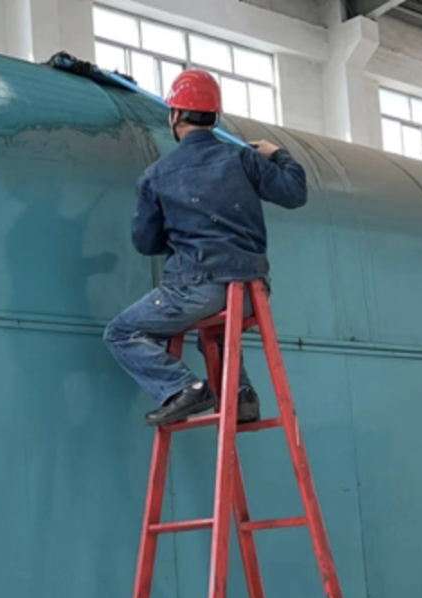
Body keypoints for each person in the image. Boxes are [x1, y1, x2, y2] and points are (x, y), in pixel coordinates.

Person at [104, 69, 308, 427]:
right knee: (215, 333)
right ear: (214, 117)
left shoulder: (157, 175)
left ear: (175, 116)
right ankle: (242, 396)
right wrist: (278, 154)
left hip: (196, 289)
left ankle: (184, 388)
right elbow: (294, 193)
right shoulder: (243, 159)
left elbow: (145, 242)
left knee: (121, 333)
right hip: (252, 292)